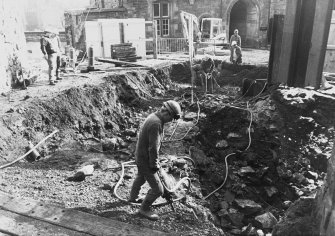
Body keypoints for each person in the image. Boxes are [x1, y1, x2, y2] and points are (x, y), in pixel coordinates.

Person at [129, 100, 182, 221]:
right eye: (171, 118)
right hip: (146, 159)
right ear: (167, 114)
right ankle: (144, 209)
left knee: (141, 176)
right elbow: (153, 147)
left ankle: (133, 198)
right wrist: (154, 164)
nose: (170, 121)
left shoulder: (153, 116)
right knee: (158, 190)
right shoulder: (156, 124)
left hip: (140, 156)